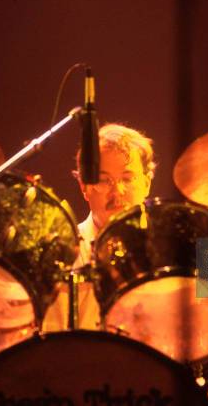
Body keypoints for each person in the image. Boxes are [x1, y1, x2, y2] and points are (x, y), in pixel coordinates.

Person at [42, 123, 156, 331]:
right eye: (104, 181)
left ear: (147, 183)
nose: (117, 191)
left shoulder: (173, 245)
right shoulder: (58, 254)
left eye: (127, 178)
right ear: (84, 188)